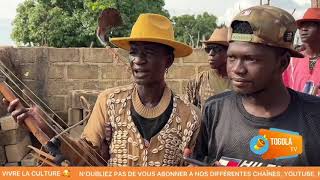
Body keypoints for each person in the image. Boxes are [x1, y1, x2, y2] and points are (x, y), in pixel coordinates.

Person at [4, 13, 201, 166]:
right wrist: (44, 127)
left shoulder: (189, 117)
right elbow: (84, 157)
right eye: (133, 53)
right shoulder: (109, 102)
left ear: (168, 60)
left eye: (148, 53)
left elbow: (190, 168)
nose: (138, 60)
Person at [191, 5, 320, 166]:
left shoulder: (314, 116)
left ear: (283, 63)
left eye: (251, 59)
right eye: (232, 58)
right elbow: (199, 163)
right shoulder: (216, 110)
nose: (237, 69)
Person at [185, 27, 231, 108]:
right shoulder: (198, 81)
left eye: (216, 49)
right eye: (208, 49)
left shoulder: (239, 81)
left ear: (229, 52)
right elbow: (188, 112)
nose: (211, 53)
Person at [283, 8, 320, 96]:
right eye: (301, 27)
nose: (303, 29)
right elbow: (283, 90)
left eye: (309, 25)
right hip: (296, 108)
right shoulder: (291, 61)